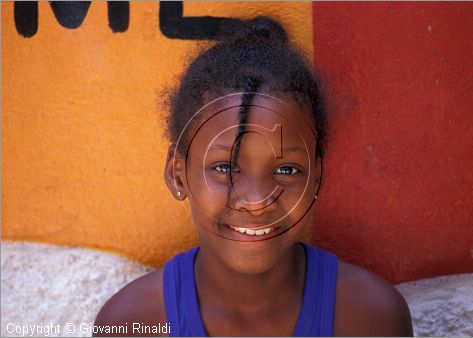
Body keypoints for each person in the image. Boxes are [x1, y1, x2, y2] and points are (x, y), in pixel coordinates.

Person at [94, 16, 413, 337]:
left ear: (316, 178)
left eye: (286, 170)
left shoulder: (369, 317)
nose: (257, 199)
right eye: (225, 167)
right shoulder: (133, 322)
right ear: (178, 174)